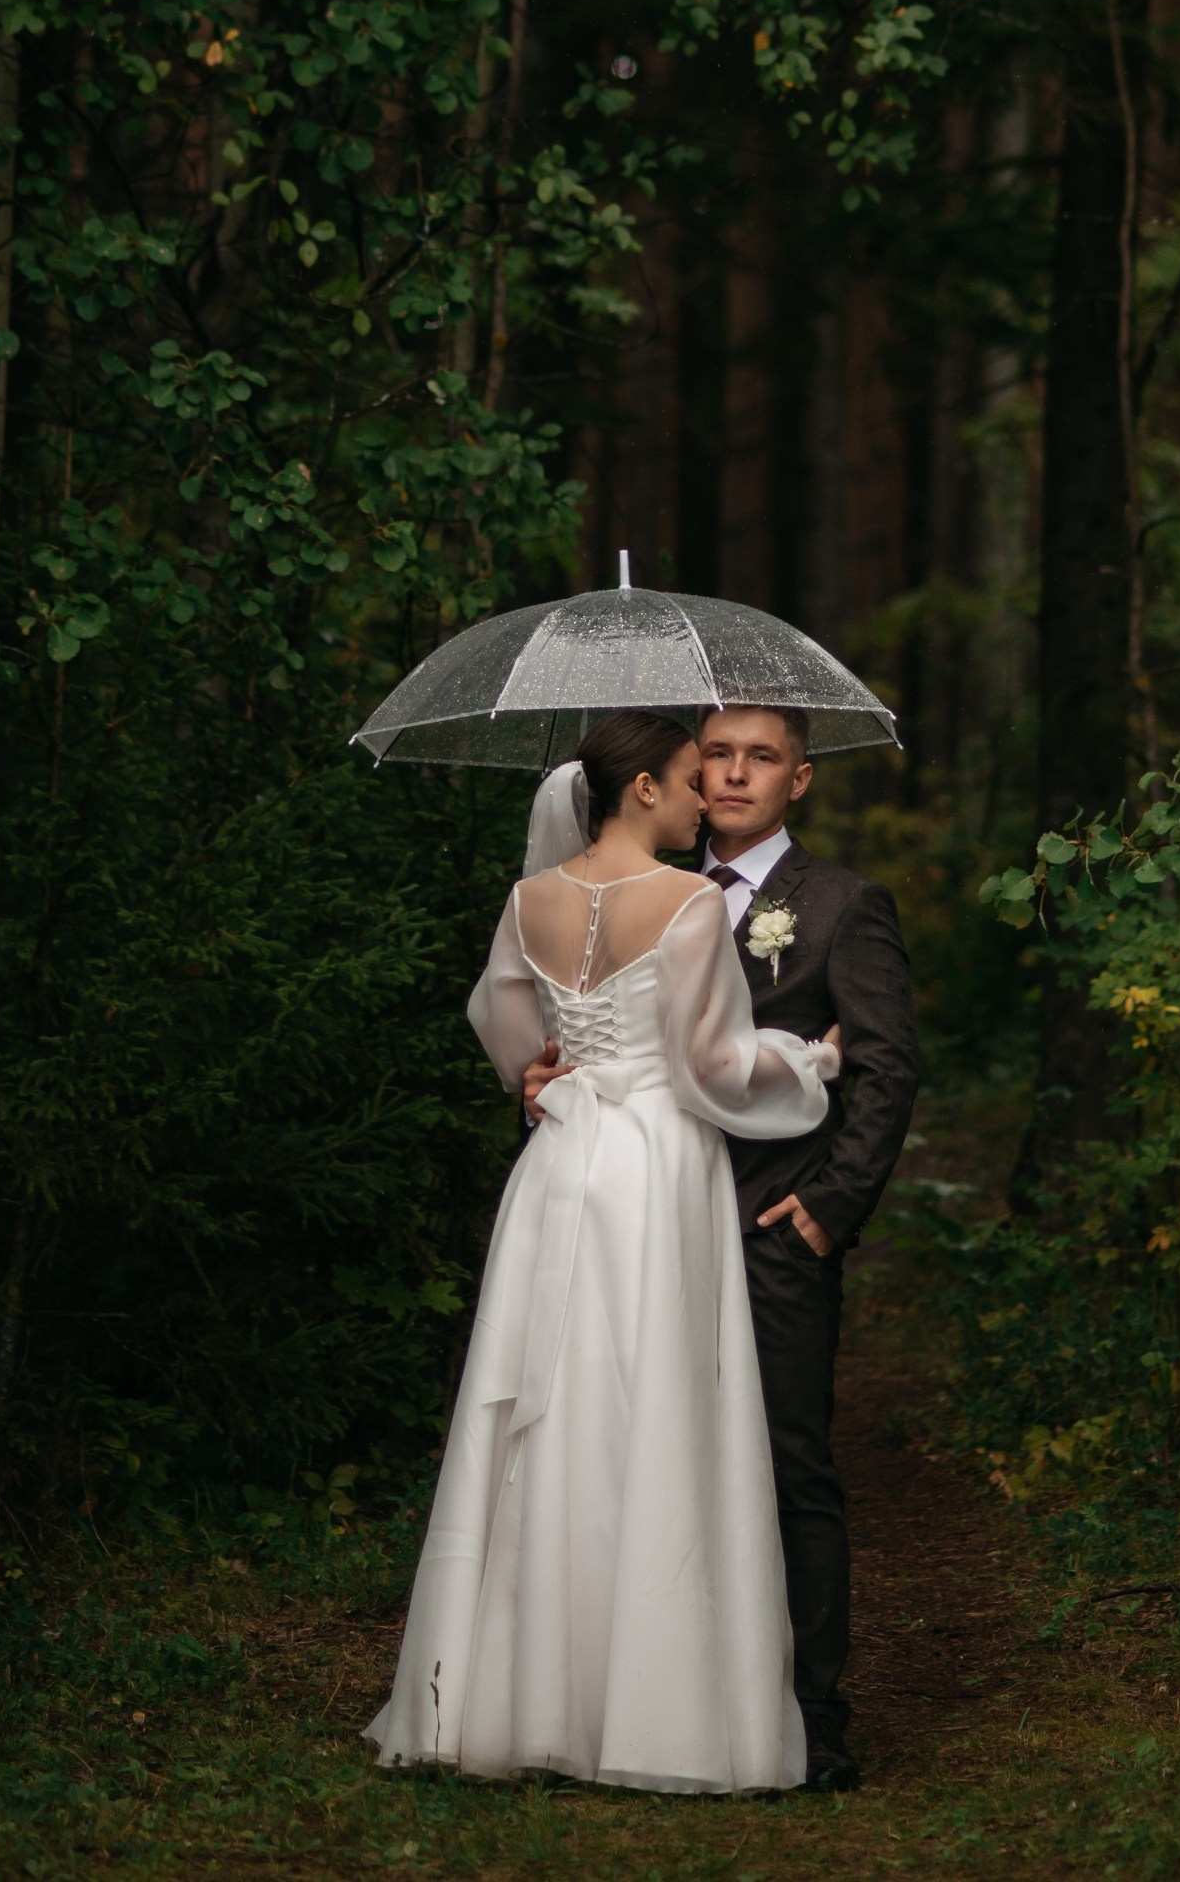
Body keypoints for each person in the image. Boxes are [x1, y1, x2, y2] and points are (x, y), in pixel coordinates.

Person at [365, 709, 843, 1794]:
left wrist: (543, 1072)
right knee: (651, 1407)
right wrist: (805, 1061)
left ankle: (513, 1692)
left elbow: (503, 1023)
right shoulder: (684, 903)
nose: (699, 800)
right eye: (685, 780)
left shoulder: (527, 901)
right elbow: (713, 1068)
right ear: (640, 790)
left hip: (562, 1161)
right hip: (654, 1166)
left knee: (552, 1407)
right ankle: (647, 1703)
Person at [526, 703, 919, 1793]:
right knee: (642, 1452)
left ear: (800, 779)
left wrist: (831, 1209)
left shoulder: (842, 906)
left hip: (766, 1228)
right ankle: (657, 1697)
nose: (735, 774)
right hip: (643, 1221)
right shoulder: (639, 893)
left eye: (762, 758)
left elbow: (884, 1067)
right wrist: (545, 1075)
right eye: (717, 756)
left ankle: (810, 1713)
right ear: (685, 773)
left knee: (787, 1464)